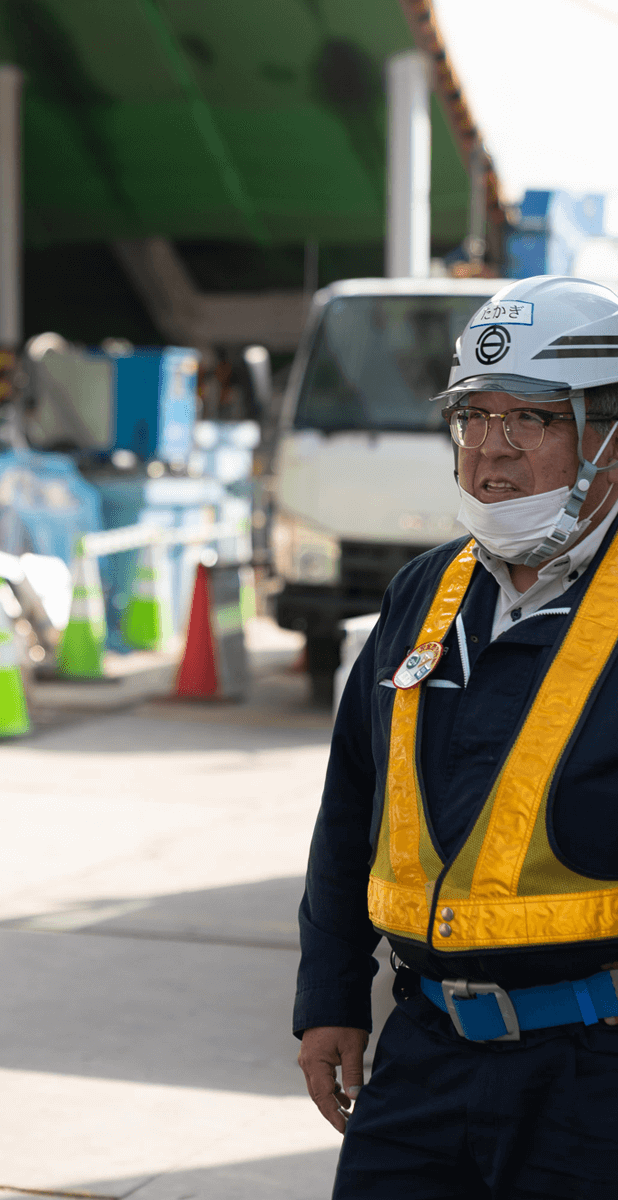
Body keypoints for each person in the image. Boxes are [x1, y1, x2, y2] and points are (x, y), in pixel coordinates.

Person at [294, 274, 618, 1199]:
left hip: (592, 1079)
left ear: (609, 430)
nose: (491, 455)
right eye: (473, 418)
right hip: (423, 1058)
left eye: (529, 420)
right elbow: (353, 804)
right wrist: (328, 998)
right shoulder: (425, 592)